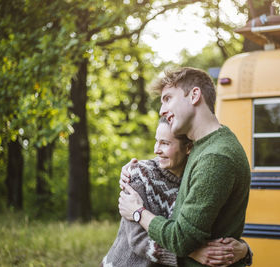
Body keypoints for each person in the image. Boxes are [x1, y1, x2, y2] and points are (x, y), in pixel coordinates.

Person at [118, 67, 252, 266]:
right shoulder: (205, 145)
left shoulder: (215, 157)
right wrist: (135, 169)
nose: (162, 110)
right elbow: (173, 160)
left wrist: (138, 212)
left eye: (168, 99)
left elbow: (181, 240)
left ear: (195, 95)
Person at [101, 118, 250, 267]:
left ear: (188, 148)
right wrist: (192, 253)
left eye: (165, 143)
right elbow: (137, 240)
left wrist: (243, 249)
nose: (156, 149)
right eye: (156, 141)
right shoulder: (139, 174)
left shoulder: (198, 178)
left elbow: (207, 233)